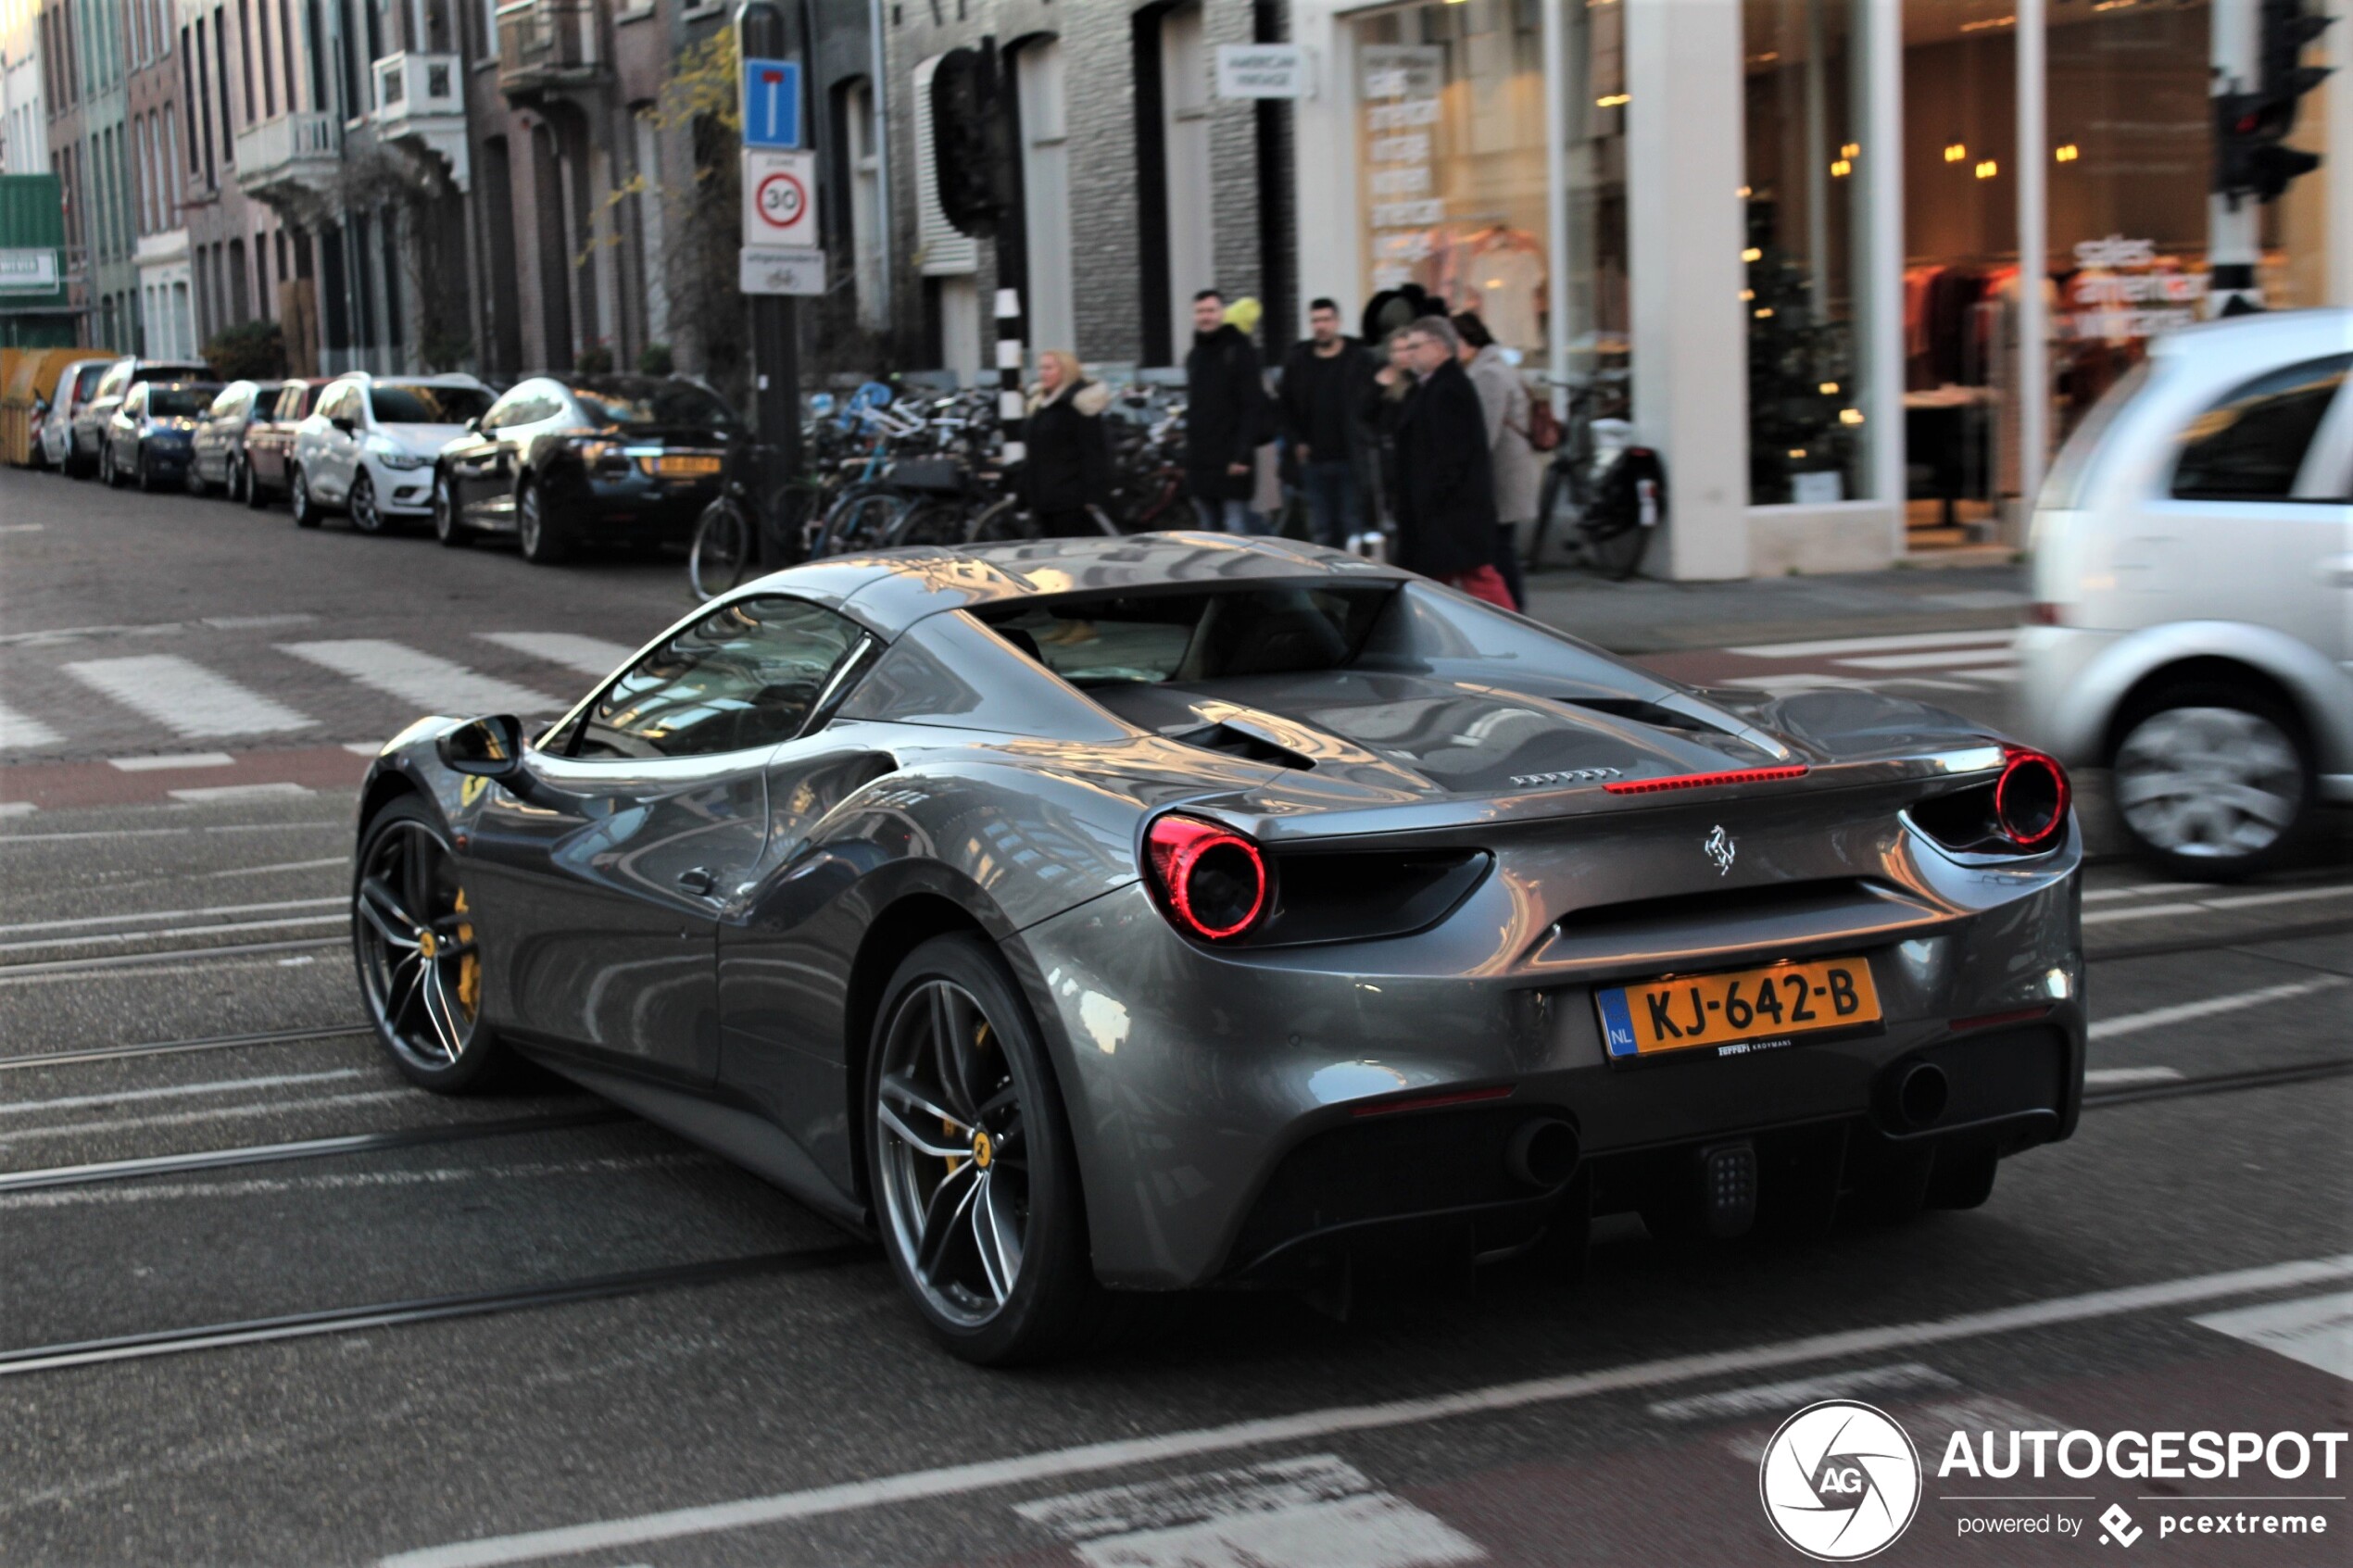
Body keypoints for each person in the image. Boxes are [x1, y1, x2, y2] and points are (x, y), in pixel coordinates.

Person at [1388, 317, 1515, 609]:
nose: (1409, 354)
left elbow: (1453, 453)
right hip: (1440, 508)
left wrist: (1433, 494)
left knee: (1476, 577)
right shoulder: (1428, 387)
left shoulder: (1449, 388)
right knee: (1436, 581)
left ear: (1438, 346)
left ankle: (1518, 635)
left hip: (1451, 509)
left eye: (1415, 347)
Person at [1452, 311, 1541, 609]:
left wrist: (1464, 471)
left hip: (1502, 474)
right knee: (1500, 545)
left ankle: (1513, 611)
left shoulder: (1488, 373)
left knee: (1499, 547)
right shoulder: (1493, 366)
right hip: (1504, 470)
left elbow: (1484, 433)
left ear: (1469, 341)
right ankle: (1513, 610)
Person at [1279, 298, 1377, 550]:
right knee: (1321, 531)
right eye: (1315, 320)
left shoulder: (1358, 359)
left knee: (1351, 528)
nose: (1320, 326)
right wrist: (1296, 441)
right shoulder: (1299, 361)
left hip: (1350, 457)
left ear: (1337, 322)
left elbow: (1371, 405)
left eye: (1325, 319)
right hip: (1313, 460)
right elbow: (1285, 406)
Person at [1183, 288, 1268, 533]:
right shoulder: (1195, 356)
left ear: (1222, 313)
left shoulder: (1240, 352)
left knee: (1236, 533)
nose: (1205, 316)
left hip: (1232, 461)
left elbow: (1252, 407)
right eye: (1200, 311)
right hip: (1201, 461)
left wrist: (1241, 455)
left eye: (1210, 310)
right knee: (1208, 535)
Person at [1021, 350, 1112, 538]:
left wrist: (1093, 497)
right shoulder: (1041, 405)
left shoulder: (1079, 405)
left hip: (1070, 500)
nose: (1042, 373)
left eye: (1049, 368)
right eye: (1040, 368)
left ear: (1065, 371)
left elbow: (1094, 452)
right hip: (1044, 497)